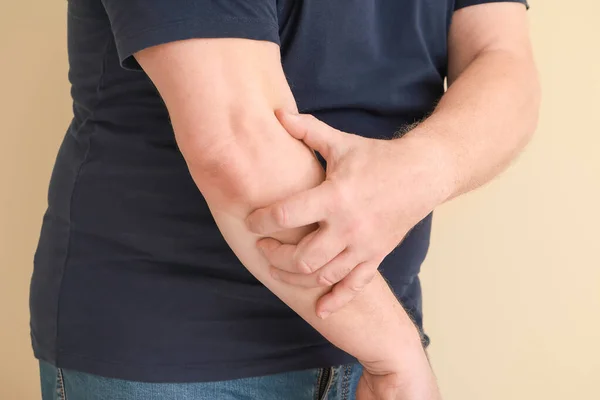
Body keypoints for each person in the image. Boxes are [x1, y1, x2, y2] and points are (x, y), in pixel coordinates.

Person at [31, 0, 539, 398]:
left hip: (378, 327)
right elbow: (236, 144)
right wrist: (397, 353)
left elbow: (503, 60)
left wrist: (422, 168)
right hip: (178, 353)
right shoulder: (393, 354)